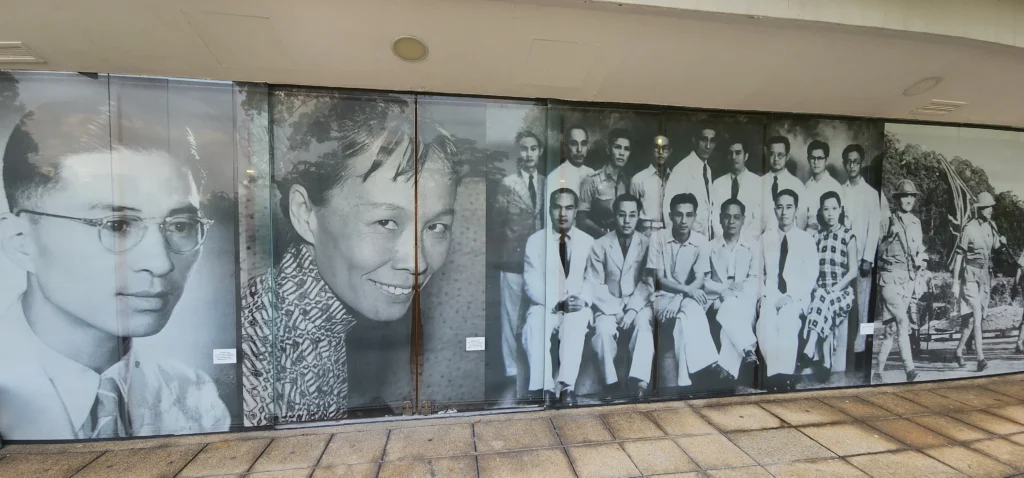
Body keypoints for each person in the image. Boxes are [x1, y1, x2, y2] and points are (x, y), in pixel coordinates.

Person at [0, 101, 229, 439]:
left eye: (180, 226)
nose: (161, 263)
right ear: (20, 241)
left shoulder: (192, 395)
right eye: (118, 225)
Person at [241, 95, 461, 425]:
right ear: (305, 213)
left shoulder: (312, 313)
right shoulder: (281, 341)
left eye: (436, 227)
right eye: (386, 222)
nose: (417, 262)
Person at [645, 193, 728, 388]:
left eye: (689, 215)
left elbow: (699, 278)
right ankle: (710, 364)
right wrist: (684, 293)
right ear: (670, 215)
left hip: (685, 296)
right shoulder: (657, 238)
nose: (684, 220)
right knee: (693, 308)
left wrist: (680, 297)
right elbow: (659, 279)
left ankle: (684, 380)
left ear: (695, 216)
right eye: (679, 215)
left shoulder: (701, 241)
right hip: (661, 296)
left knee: (683, 320)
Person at [522, 188, 594, 407]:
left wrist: (583, 300)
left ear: (576, 211)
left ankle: (567, 388)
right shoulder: (535, 241)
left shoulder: (588, 241)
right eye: (557, 207)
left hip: (576, 305)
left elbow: (594, 279)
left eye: (569, 208)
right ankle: (544, 389)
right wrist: (557, 302)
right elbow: (531, 282)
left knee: (576, 320)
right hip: (548, 305)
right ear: (549, 210)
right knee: (535, 323)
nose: (563, 213)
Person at [586, 194, 654, 401]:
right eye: (622, 215)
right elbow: (594, 284)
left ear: (638, 216)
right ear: (614, 216)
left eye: (632, 215)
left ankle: (639, 382)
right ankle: (611, 383)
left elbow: (648, 281)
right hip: (608, 304)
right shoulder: (600, 244)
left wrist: (632, 309)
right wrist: (616, 311)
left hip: (638, 303)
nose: (627, 221)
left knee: (643, 326)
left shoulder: (647, 243)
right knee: (603, 331)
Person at [494, 130, 546, 381]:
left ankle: (536, 367)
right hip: (513, 259)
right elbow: (497, 222)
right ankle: (512, 369)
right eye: (524, 149)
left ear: (540, 152)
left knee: (536, 314)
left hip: (539, 262)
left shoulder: (548, 182)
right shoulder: (507, 184)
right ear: (519, 152)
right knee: (510, 317)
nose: (528, 154)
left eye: (533, 148)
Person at [758, 189, 817, 389]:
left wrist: (791, 296)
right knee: (766, 322)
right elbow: (759, 273)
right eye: (780, 207)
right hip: (772, 292)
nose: (784, 212)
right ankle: (776, 376)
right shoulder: (766, 238)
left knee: (787, 321)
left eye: (789, 207)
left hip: (796, 296)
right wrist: (764, 295)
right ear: (774, 210)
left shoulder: (806, 240)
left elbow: (810, 276)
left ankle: (784, 375)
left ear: (796, 210)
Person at [800, 192, 858, 376]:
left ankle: (811, 346)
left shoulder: (848, 236)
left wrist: (834, 289)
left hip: (842, 293)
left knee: (822, 299)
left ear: (840, 210)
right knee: (822, 299)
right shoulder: (818, 237)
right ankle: (826, 363)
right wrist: (817, 288)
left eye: (834, 209)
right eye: (826, 209)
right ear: (821, 212)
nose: (830, 213)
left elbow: (853, 271)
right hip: (822, 293)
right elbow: (811, 269)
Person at [703, 198, 760, 382]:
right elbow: (703, 280)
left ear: (743, 219)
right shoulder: (709, 247)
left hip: (743, 301)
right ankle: (748, 348)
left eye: (736, 217)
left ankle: (727, 374)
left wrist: (736, 292)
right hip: (717, 300)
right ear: (720, 219)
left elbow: (756, 279)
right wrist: (724, 289)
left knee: (731, 314)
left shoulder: (753, 246)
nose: (731, 222)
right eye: (727, 217)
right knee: (729, 305)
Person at [875, 180, 924, 383]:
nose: (908, 200)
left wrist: (922, 260)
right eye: (905, 196)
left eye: (911, 196)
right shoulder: (887, 221)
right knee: (903, 322)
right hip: (889, 279)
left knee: (891, 330)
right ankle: (909, 369)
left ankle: (878, 371)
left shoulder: (916, 223)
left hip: (908, 280)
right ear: (897, 199)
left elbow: (919, 250)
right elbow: (875, 253)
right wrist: (889, 237)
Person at [952, 191, 1005, 372]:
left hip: (985, 276)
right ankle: (980, 358)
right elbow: (959, 256)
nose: (989, 210)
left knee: (971, 322)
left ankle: (958, 351)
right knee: (976, 315)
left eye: (991, 207)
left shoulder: (992, 226)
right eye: (986, 207)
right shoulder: (969, 228)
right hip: (970, 275)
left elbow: (995, 246)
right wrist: (954, 282)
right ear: (979, 209)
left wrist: (1002, 242)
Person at [839, 144, 881, 369]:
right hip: (843, 257)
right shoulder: (840, 190)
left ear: (861, 163)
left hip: (863, 258)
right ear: (844, 163)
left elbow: (874, 227)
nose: (852, 165)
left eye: (856, 161)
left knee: (864, 306)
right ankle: (844, 352)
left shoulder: (871, 194)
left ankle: (862, 350)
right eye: (848, 161)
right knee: (846, 303)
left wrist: (868, 258)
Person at [662, 127, 716, 239]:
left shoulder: (708, 169)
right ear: (694, 140)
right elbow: (669, 209)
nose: (708, 146)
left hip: (704, 239)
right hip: (685, 239)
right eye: (704, 140)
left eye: (712, 141)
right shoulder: (682, 168)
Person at [578, 128, 631, 237]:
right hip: (597, 241)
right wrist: (605, 237)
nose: (622, 153)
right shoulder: (592, 181)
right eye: (617, 147)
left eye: (626, 149)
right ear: (608, 149)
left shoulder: (627, 182)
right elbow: (581, 220)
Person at [710, 138, 761, 242]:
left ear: (746, 156)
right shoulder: (717, 183)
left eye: (738, 153)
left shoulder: (758, 183)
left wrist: (741, 241)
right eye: (730, 153)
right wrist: (723, 239)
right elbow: (714, 216)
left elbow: (758, 220)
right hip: (722, 242)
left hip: (748, 242)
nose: (733, 157)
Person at [761, 136, 807, 232]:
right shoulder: (758, 182)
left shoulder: (797, 185)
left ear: (787, 157)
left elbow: (801, 221)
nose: (776, 159)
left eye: (780, 155)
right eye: (772, 154)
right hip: (763, 239)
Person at [631, 135, 672, 236]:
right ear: (651, 150)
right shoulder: (638, 179)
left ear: (670, 151)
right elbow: (632, 212)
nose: (661, 152)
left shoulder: (674, 178)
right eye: (657, 148)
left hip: (669, 233)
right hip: (646, 232)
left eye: (665, 148)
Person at [802, 140, 844, 233]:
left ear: (826, 160)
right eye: (813, 158)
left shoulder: (835, 186)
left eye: (820, 158)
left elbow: (840, 219)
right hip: (808, 234)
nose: (816, 162)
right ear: (808, 159)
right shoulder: (806, 186)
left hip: (828, 235)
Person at [546, 124, 595, 196]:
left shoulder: (592, 173)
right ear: (565, 146)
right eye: (573, 144)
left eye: (583, 144)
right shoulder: (554, 178)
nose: (579, 149)